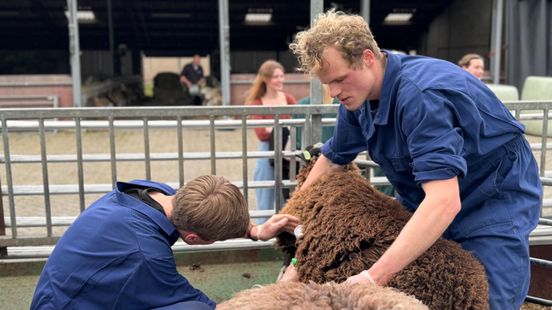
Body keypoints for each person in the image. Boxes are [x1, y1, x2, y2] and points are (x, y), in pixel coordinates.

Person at [289, 10, 541, 310]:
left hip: (490, 202)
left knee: (483, 301)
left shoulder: (421, 96)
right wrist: (292, 220)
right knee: (421, 294)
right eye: (327, 83)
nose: (334, 92)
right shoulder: (357, 100)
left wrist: (373, 277)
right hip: (425, 202)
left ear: (368, 57)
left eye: (340, 79)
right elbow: (332, 158)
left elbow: (444, 202)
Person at [31, 175, 299, 309]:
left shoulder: (154, 193)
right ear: (193, 239)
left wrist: (254, 230)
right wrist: (278, 292)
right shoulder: (145, 256)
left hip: (68, 289)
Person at [247, 60, 297, 223]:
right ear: (266, 79)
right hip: (267, 151)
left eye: (282, 76)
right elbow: (261, 134)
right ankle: (263, 230)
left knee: (287, 194)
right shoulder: (258, 103)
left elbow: (298, 123)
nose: (280, 80)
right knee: (266, 193)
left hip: (287, 150)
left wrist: (273, 128)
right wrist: (282, 126)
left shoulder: (289, 99)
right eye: (276, 77)